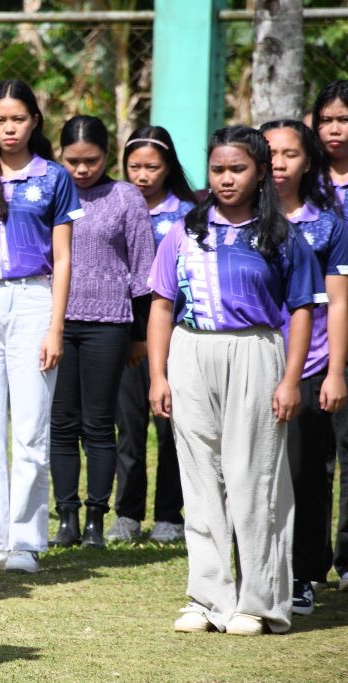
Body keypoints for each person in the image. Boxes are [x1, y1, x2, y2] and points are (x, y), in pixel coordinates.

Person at [148, 125, 320, 636]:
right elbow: (161, 305)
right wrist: (158, 374)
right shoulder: (184, 231)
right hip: (191, 350)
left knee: (255, 477)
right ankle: (208, 598)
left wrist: (291, 380)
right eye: (218, 169)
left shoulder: (281, 236)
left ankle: (260, 602)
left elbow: (302, 309)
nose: (226, 179)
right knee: (199, 477)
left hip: (255, 352)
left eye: (238, 169)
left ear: (261, 172)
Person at [0, 79, 83, 574]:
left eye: (19, 119)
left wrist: (55, 328)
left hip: (34, 300)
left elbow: (64, 257)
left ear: (35, 122)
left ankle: (27, 542)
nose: (9, 128)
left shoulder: (54, 177)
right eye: (0, 120)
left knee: (30, 429)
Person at [48, 115, 155, 549]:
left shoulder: (126, 197)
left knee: (98, 424)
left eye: (91, 160)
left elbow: (144, 270)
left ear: (107, 155)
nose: (81, 169)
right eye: (72, 160)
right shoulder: (52, 191)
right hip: (55, 322)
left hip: (109, 324)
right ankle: (66, 518)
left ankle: (95, 518)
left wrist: (140, 336)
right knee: (61, 423)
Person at [261, 118, 348, 616]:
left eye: (289, 154)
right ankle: (256, 570)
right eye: (269, 153)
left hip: (310, 367)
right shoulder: (236, 222)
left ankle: (303, 574)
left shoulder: (327, 226)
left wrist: (334, 371)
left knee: (307, 474)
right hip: (251, 361)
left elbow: (338, 302)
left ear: (308, 162)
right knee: (250, 474)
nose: (278, 163)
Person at [109, 125, 198, 544]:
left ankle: (169, 515)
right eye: (134, 167)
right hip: (127, 335)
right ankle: (127, 514)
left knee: (169, 428)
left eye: (152, 167)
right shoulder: (115, 205)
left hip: (175, 334)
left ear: (169, 168)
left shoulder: (188, 214)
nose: (142, 176)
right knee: (129, 427)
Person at [312, 80, 348, 593]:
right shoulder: (308, 181)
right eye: (326, 120)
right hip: (315, 330)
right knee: (313, 451)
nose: (334, 129)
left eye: (343, 120)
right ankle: (310, 560)